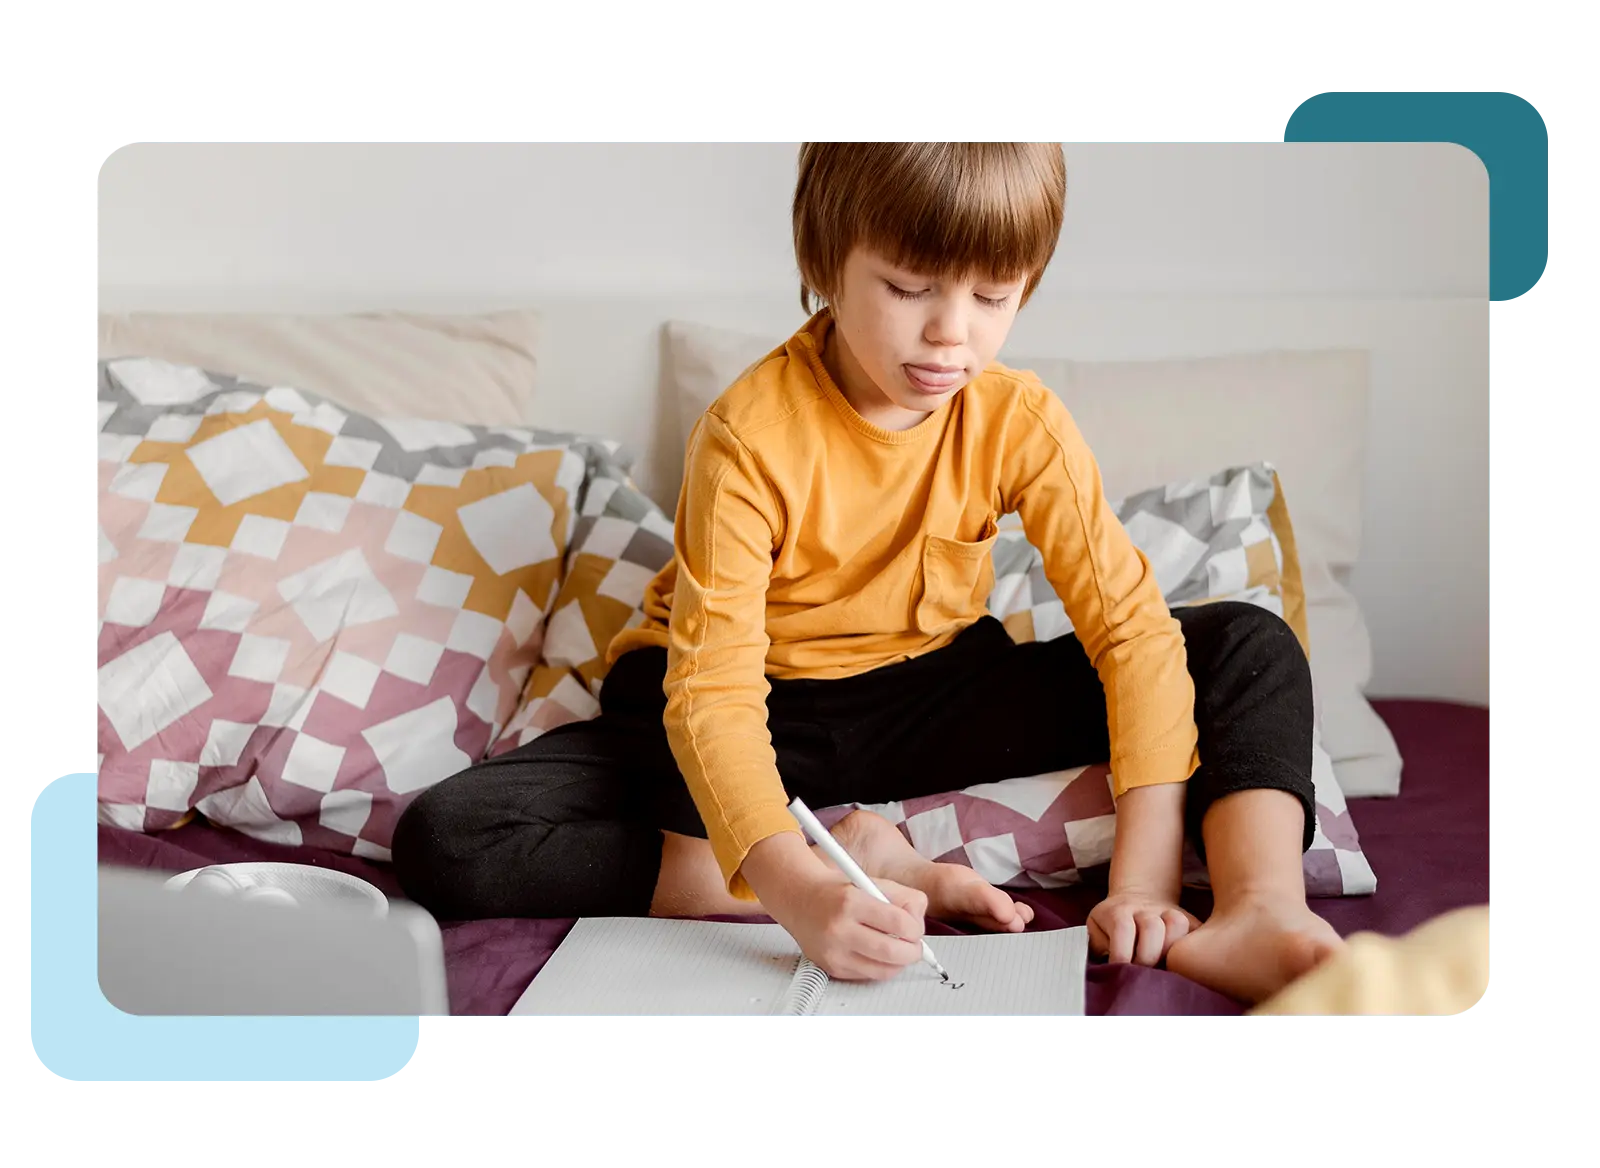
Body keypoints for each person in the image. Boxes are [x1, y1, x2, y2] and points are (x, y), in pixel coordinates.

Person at [393, 141, 1345, 1004]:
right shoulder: (746, 437)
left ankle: (1262, 908)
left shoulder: (1020, 421)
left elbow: (1130, 635)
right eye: (908, 287)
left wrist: (1138, 887)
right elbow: (714, 696)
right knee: (451, 841)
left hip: (924, 691)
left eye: (993, 296)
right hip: (746, 699)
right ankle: (820, 863)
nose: (951, 336)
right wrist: (800, 890)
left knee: (1246, 643)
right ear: (826, 266)